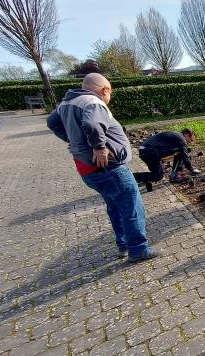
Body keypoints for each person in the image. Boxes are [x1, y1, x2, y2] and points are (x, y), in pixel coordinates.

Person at [46, 73, 158, 263]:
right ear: (105, 90)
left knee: (114, 206)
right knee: (131, 207)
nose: (109, 98)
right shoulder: (92, 102)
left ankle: (123, 245)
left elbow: (52, 122)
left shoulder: (67, 103)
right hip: (110, 168)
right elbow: (91, 123)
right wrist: (99, 147)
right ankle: (138, 249)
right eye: (109, 93)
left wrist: (73, 140)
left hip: (88, 170)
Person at [132, 128, 200, 191]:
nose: (189, 143)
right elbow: (185, 157)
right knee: (158, 176)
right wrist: (192, 170)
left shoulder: (176, 136)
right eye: (191, 140)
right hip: (149, 152)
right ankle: (131, 177)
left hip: (144, 150)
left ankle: (175, 175)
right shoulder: (181, 139)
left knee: (157, 174)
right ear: (187, 135)